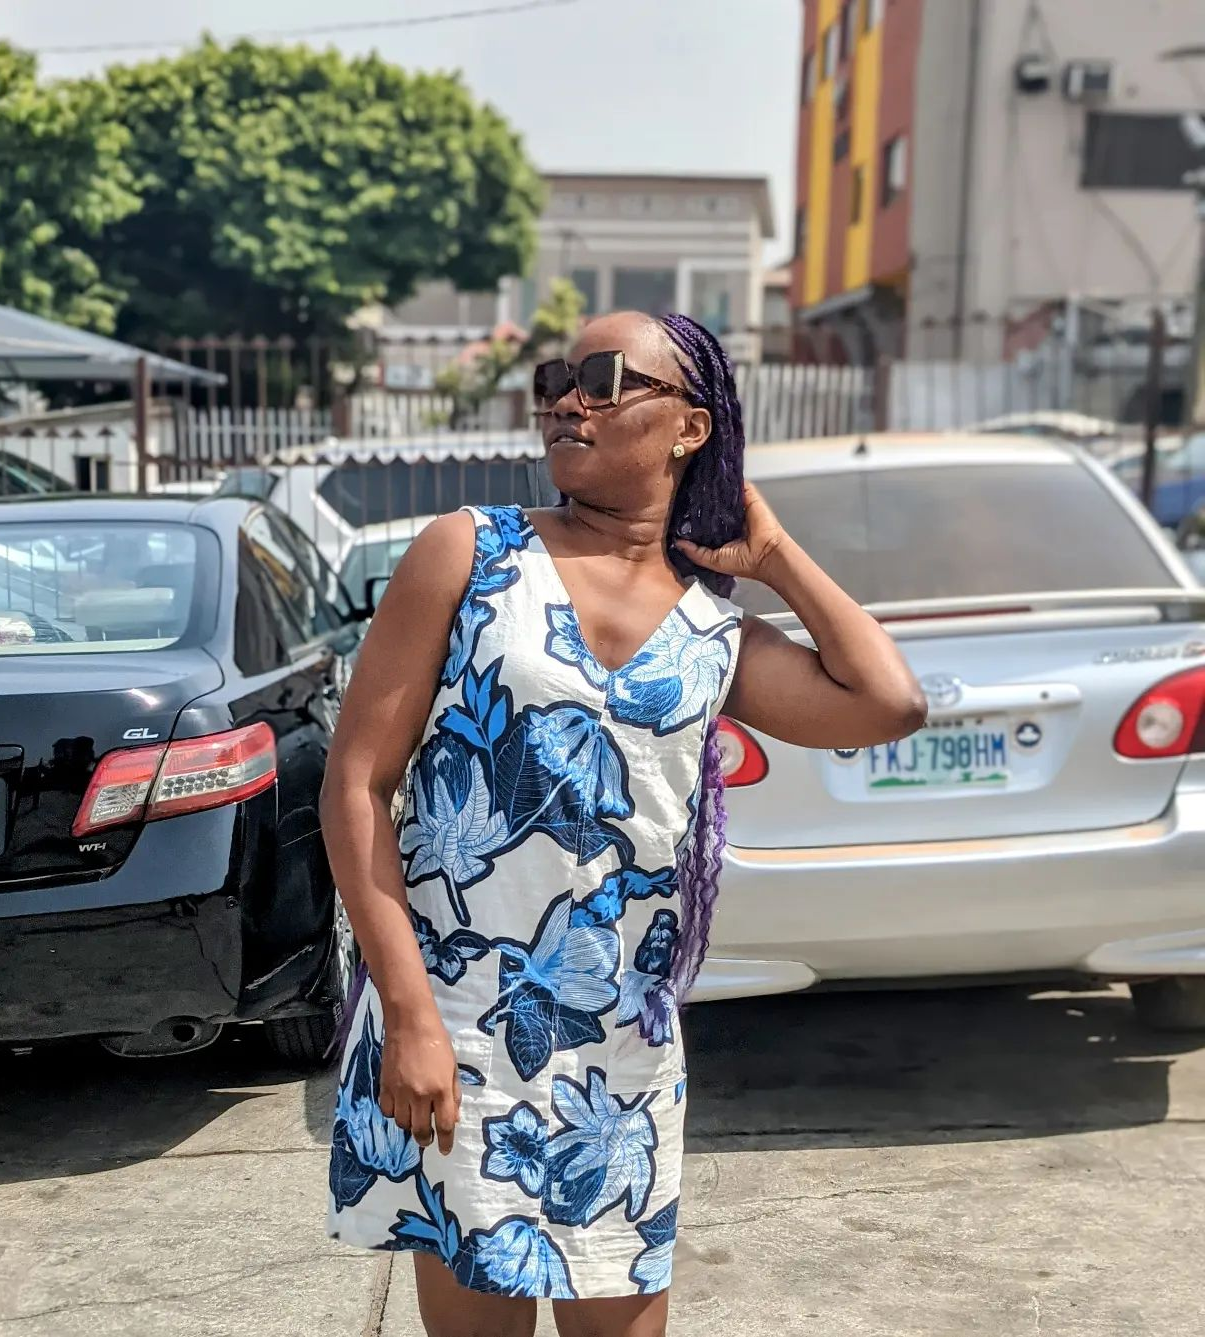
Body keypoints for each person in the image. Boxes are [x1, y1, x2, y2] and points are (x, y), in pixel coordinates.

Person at [322, 311, 925, 1337]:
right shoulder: (469, 556)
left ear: (690, 426)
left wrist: (773, 550)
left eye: (605, 379)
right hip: (459, 1017)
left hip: (621, 1046)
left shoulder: (713, 626)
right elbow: (354, 783)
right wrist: (409, 1011)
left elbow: (887, 702)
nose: (568, 397)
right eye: (559, 375)